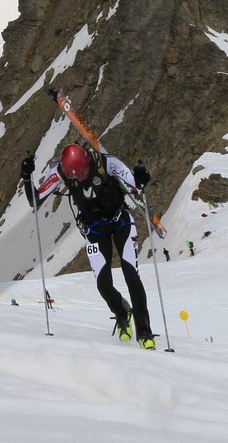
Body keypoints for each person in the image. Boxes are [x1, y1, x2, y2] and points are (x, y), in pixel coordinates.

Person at [22, 142, 157, 348]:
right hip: (94, 229)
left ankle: (144, 332)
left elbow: (135, 182)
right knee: (103, 284)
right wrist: (26, 176)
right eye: (74, 178)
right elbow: (36, 199)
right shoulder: (61, 172)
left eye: (83, 173)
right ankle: (122, 313)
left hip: (120, 221)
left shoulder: (107, 163)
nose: (79, 179)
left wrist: (141, 177)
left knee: (131, 275)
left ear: (87, 163)